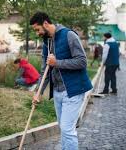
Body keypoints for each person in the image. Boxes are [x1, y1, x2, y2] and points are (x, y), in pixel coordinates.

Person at [30, 12, 93, 150]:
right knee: (64, 129)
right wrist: (38, 92)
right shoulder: (47, 42)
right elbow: (44, 70)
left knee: (67, 130)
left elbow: (82, 62)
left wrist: (57, 62)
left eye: (37, 29)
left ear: (45, 24)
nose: (37, 33)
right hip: (58, 91)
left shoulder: (69, 35)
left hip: (74, 90)